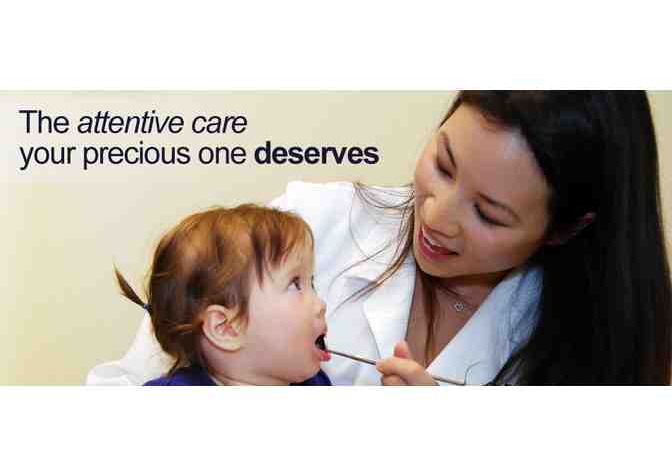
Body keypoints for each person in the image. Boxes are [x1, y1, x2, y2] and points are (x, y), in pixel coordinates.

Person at [88, 91, 671, 386]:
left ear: (567, 228)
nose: (436, 215)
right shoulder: (297, 232)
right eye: (443, 164)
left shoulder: (593, 359)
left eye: (489, 214)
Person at [113, 204, 331, 386]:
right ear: (226, 327)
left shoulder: (315, 383)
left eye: (311, 283)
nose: (321, 304)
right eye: (295, 284)